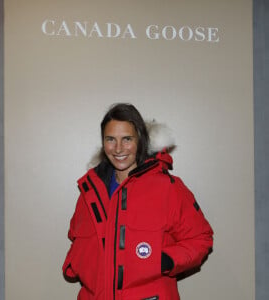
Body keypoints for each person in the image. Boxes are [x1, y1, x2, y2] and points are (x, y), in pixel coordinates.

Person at [62, 103, 213, 300]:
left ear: (140, 140)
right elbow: (77, 238)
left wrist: (165, 260)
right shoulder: (90, 191)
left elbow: (201, 238)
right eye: (110, 139)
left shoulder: (168, 188)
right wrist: (76, 262)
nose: (118, 148)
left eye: (127, 139)